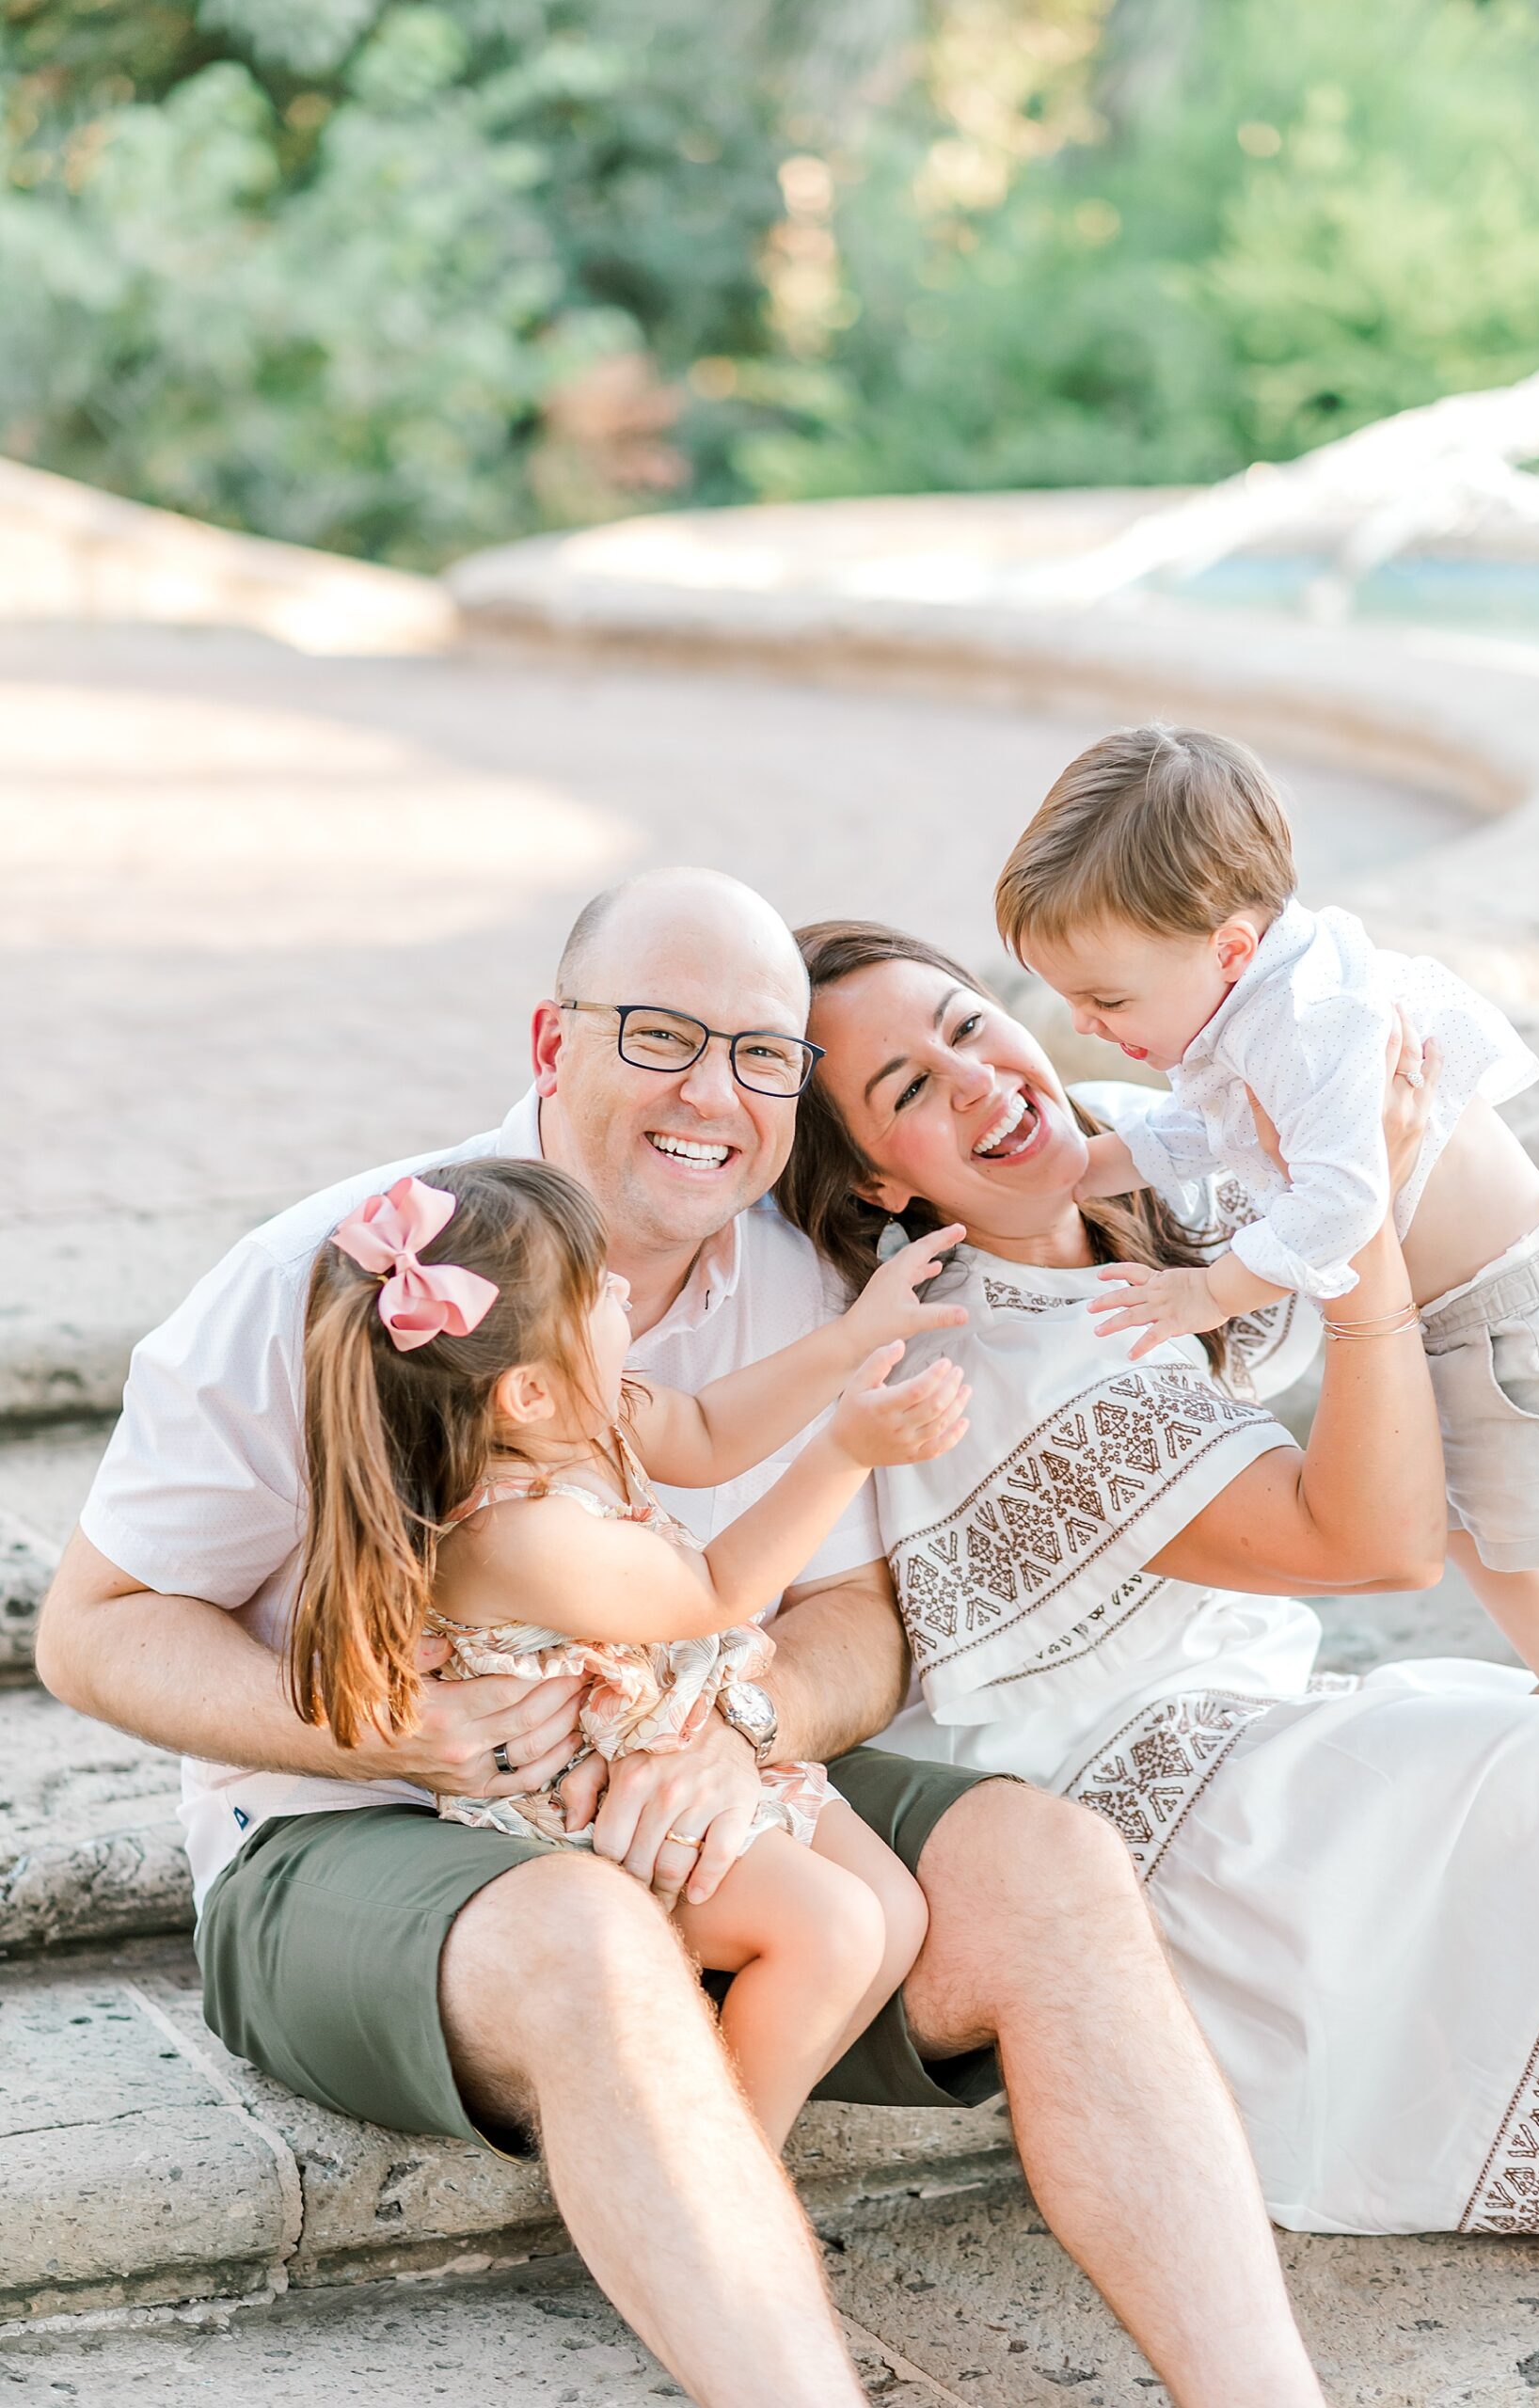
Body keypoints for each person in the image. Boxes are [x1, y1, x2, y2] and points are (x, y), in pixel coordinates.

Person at [38, 868, 1334, 2408]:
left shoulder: (797, 1284)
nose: (712, 1093)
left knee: (1043, 1867)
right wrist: (389, 1730)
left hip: (675, 1764)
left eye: (760, 1054)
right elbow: (93, 1633)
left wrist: (744, 1733)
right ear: (549, 1040)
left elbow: (848, 1617)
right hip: (357, 1827)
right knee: (584, 1934)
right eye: (661, 1036)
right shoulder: (352, 1271)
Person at [782, 916, 1539, 2238]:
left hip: (1253, 1719)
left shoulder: (1112, 1155)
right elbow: (1377, 1546)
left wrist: (1357, 1140)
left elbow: (1412, 1133)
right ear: (879, 1183)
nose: (980, 1079)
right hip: (1152, 1817)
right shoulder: (1004, 1359)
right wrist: (1355, 1237)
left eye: (965, 1027)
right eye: (911, 1092)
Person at [295, 1154, 968, 2146]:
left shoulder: (580, 1412)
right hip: (589, 1807)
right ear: (522, 1390)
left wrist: (852, 1337)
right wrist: (844, 1453)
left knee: (891, 1915)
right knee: (830, 1931)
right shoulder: (514, 1534)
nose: (623, 1293)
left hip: (671, 1740)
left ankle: (713, 2130)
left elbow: (705, 1429)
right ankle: (729, 2178)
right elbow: (712, 1595)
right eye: (599, 1287)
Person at [994, 721, 1539, 1703]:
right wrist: (1082, 1165)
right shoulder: (1242, 1003)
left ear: (1228, 947)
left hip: (1512, 1308)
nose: (1083, 1027)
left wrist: (1208, 1292)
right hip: (1455, 1311)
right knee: (1471, 1512)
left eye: (1105, 997)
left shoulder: (1309, 1020)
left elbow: (1340, 1197)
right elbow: (1206, 1131)